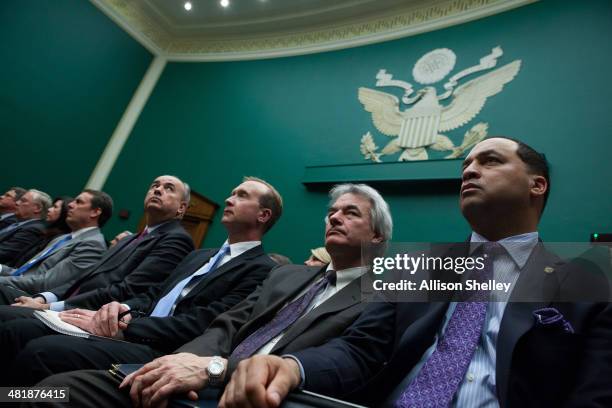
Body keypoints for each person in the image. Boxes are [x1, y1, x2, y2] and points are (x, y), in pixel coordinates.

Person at [218, 137, 612, 408]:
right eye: (466, 165)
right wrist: (293, 366)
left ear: (537, 184)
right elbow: (360, 351)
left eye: (489, 161)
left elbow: (592, 394)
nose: (470, 171)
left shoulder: (585, 280)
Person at [31, 183, 394, 408]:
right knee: (52, 392)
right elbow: (226, 326)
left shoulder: (389, 289)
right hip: (190, 378)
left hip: (254, 396)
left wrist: (215, 370)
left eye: (350, 213)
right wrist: (185, 362)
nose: (334, 219)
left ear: (377, 237)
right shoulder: (288, 275)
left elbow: (350, 359)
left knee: (43, 351)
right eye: (331, 213)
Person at [1, 177, 283, 386]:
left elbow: (202, 323)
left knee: (41, 352)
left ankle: (12, 400)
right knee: (18, 329)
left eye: (241, 196)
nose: (229, 200)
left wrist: (127, 326)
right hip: (131, 328)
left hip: (161, 349)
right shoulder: (200, 256)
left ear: (263, 215)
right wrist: (117, 309)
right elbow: (152, 296)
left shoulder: (262, 269)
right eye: (231, 193)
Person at [0, 175, 194, 316]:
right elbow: (82, 278)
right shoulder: (128, 239)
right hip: (59, 304)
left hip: (84, 314)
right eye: (154, 185)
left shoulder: (176, 239)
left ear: (181, 208)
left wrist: (51, 307)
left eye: (169, 188)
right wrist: (44, 298)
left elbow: (126, 290)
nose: (158, 190)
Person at [0, 190, 110, 296]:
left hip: (28, 296)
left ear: (95, 212)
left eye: (79, 202)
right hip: (14, 286)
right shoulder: (64, 238)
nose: (71, 205)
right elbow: (22, 272)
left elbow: (45, 284)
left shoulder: (92, 244)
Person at [9, 195, 73, 268]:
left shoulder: (58, 239)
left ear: (64, 213)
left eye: (55, 207)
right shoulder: (48, 233)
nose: (49, 209)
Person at [0, 189, 51, 264]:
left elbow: (3, 253)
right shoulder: (20, 223)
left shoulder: (34, 229)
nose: (17, 203)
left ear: (37, 208)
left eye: (23, 201)